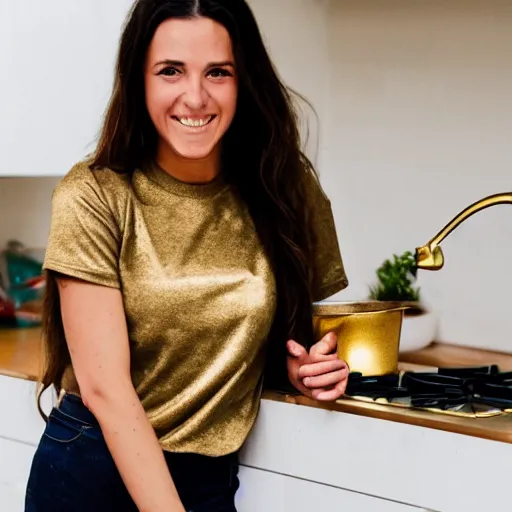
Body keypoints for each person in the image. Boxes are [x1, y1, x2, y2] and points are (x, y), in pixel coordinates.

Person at [24, 0, 350, 511]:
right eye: (170, 71)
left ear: (245, 81)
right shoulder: (94, 195)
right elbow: (106, 391)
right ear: (140, 81)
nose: (195, 97)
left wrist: (304, 367)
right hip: (92, 474)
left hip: (207, 478)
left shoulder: (285, 191)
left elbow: (291, 332)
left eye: (217, 72)